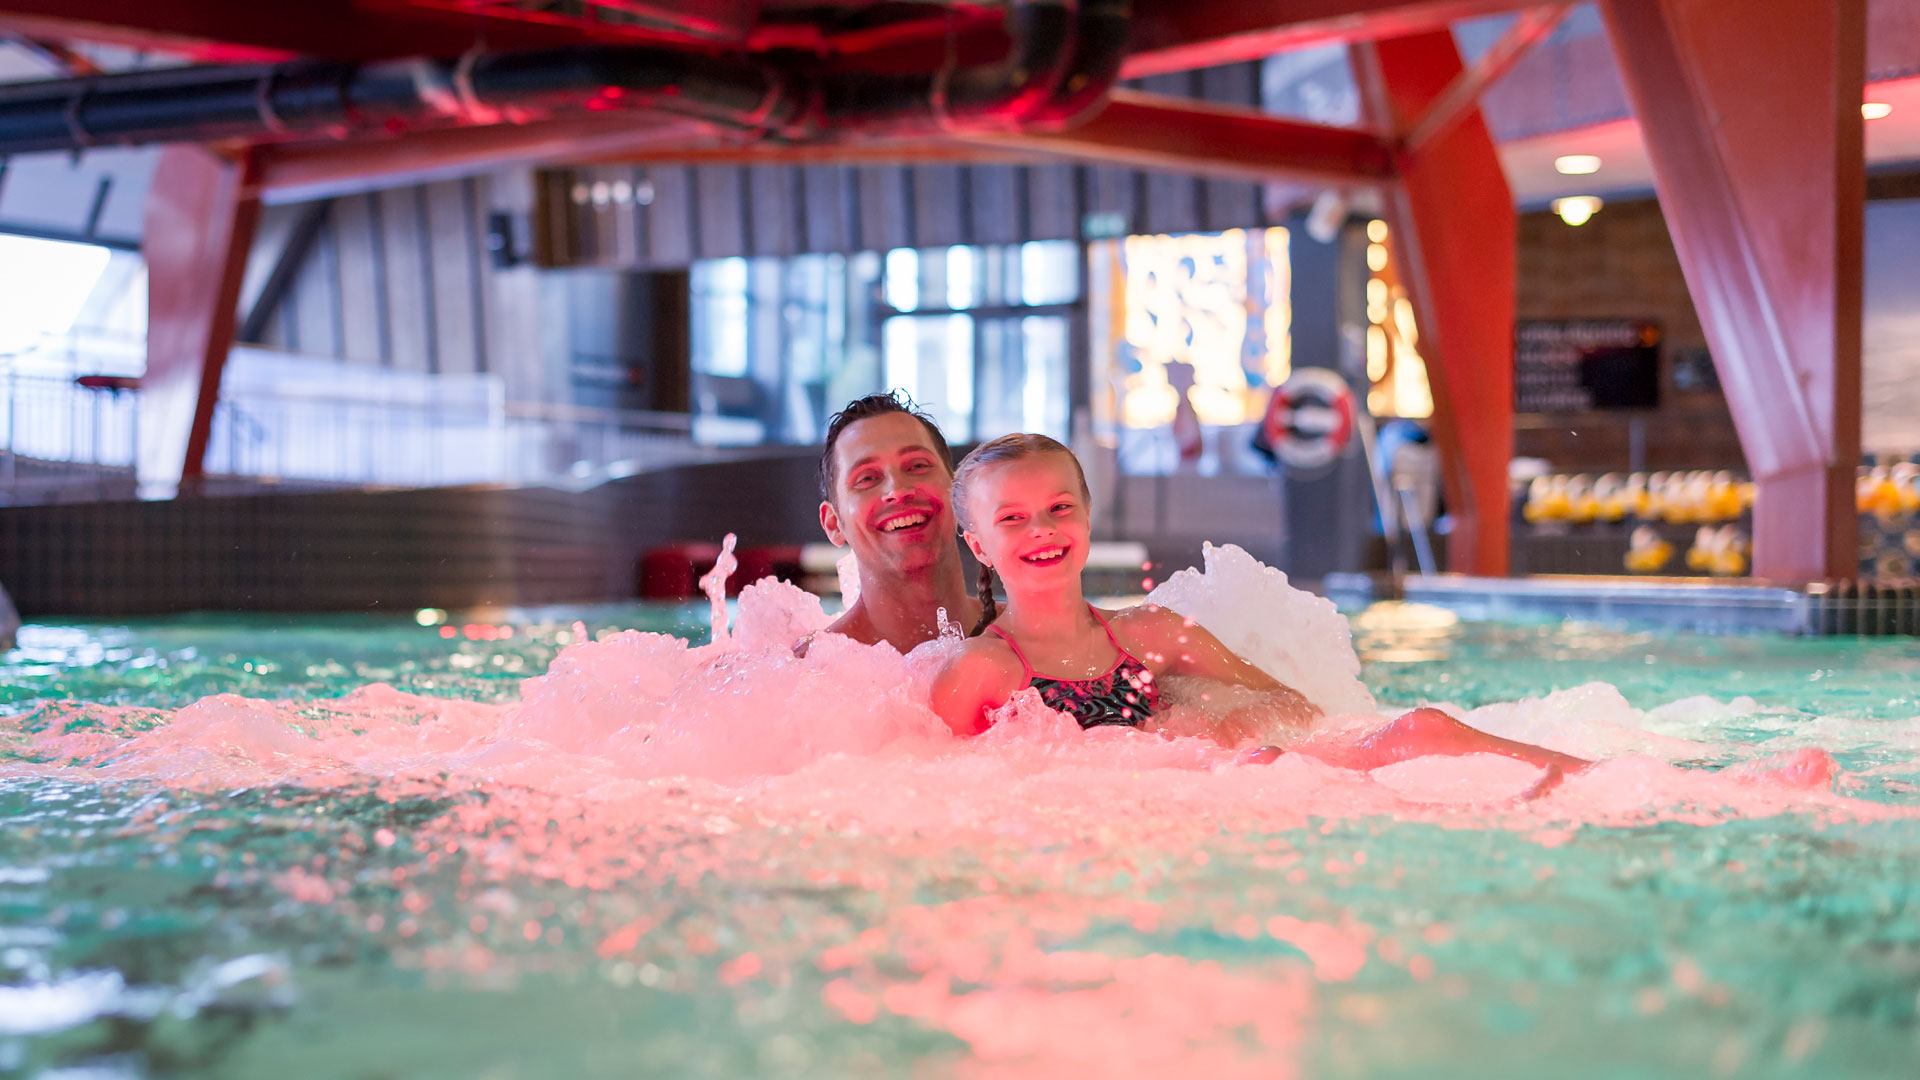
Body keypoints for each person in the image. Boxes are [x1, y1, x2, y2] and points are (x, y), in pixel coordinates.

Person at [928, 433, 1590, 779]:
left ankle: (1615, 782)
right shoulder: (982, 673)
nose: (1041, 529)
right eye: (1012, 518)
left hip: (1226, 781)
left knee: (1423, 728)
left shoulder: (1154, 636)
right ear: (978, 545)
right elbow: (944, 787)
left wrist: (1208, 721)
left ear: (1088, 520)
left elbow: (1296, 706)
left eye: (1059, 509)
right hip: (1123, 823)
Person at [810, 392, 982, 654]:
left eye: (917, 466)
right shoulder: (809, 672)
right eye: (867, 478)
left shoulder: (1030, 643)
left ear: (960, 492)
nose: (898, 490)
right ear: (833, 524)